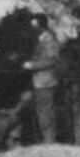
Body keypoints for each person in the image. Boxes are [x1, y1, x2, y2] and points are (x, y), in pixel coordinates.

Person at [23, 13, 61, 143]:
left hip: (46, 81)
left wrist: (32, 65)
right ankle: (47, 141)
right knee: (43, 111)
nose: (33, 29)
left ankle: (49, 142)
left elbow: (52, 61)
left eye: (35, 26)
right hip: (41, 81)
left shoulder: (49, 40)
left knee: (45, 112)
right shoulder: (42, 39)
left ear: (41, 26)